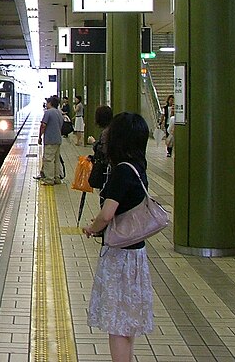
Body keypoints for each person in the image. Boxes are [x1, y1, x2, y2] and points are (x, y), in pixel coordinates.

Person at [83, 112, 154, 361]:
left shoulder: (122, 172)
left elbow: (107, 213)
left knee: (117, 323)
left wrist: (93, 227)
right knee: (127, 321)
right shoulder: (138, 167)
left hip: (120, 257)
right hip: (136, 253)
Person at [36, 96, 64, 185]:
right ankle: (57, 178)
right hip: (58, 140)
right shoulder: (59, 113)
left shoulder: (48, 112)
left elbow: (43, 125)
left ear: (50, 103)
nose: (46, 104)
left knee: (48, 159)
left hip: (50, 140)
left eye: (47, 102)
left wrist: (40, 136)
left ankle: (49, 179)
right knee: (56, 160)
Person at [87, 105, 113, 191]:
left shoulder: (106, 132)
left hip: (106, 170)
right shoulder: (112, 129)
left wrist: (94, 142)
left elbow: (104, 150)